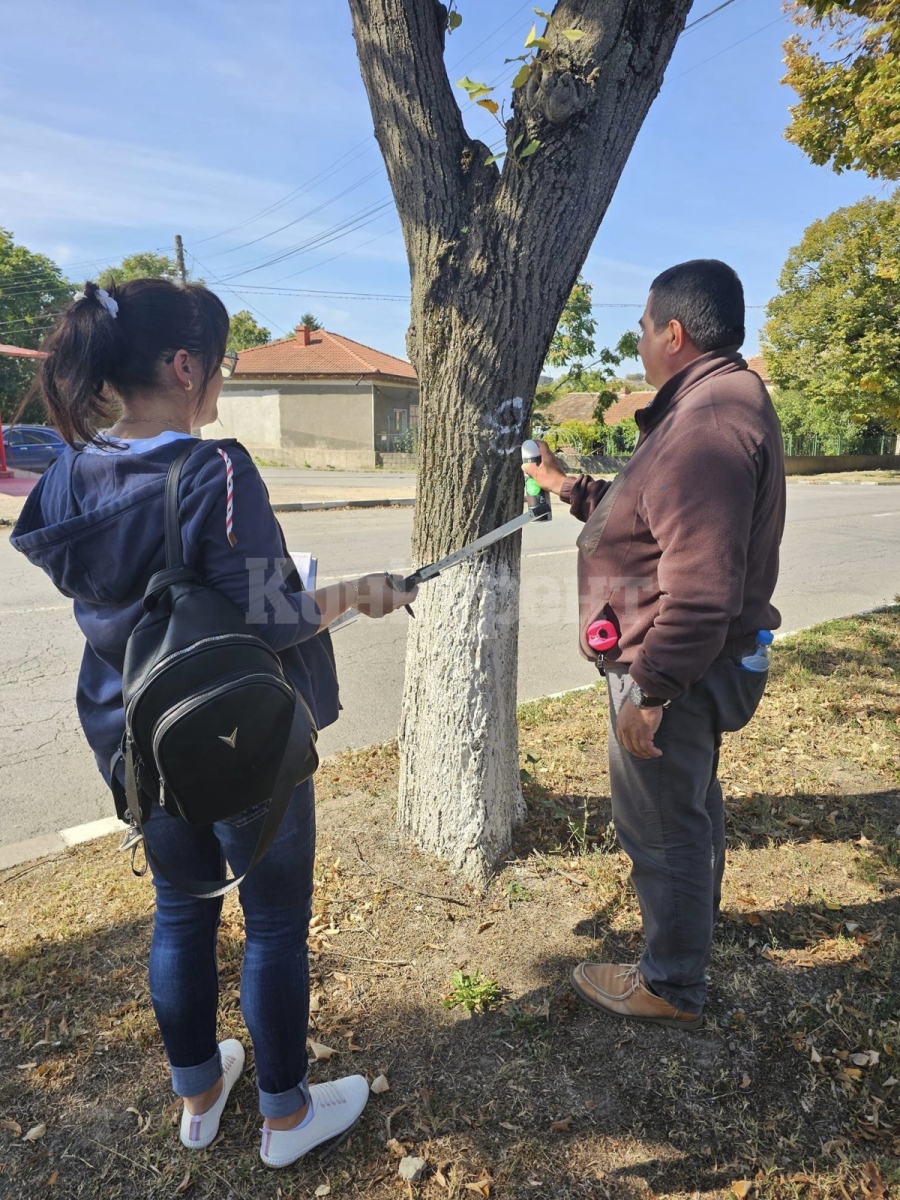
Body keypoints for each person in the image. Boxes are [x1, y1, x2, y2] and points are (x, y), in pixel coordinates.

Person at [10, 278, 418, 1167]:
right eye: (222, 364)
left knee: (179, 911)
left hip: (131, 735)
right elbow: (273, 615)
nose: (223, 382)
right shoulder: (212, 469)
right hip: (235, 736)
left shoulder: (71, 473)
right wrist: (362, 592)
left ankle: (198, 1091)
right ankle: (283, 1114)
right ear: (184, 364)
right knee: (272, 923)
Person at [524, 259, 785, 1028]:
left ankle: (671, 985)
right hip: (691, 664)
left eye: (641, 326)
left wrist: (651, 689)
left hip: (675, 667)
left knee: (664, 827)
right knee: (689, 813)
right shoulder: (712, 401)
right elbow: (649, 513)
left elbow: (701, 590)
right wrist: (567, 487)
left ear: (673, 333)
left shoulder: (706, 423)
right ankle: (686, 945)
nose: (637, 338)